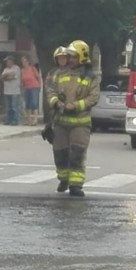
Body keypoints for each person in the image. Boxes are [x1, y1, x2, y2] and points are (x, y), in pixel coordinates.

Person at [45, 40, 99, 197]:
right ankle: (63, 179)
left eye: (73, 56)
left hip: (80, 124)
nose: (70, 59)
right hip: (60, 122)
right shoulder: (60, 74)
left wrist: (75, 105)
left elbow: (93, 97)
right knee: (60, 154)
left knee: (77, 154)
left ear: (82, 57)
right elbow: (50, 91)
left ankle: (76, 186)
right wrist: (56, 103)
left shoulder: (90, 77)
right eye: (69, 56)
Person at [20, 55, 42, 125]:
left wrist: (40, 86)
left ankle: (35, 120)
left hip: (34, 87)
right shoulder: (22, 70)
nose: (24, 63)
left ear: (28, 62)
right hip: (26, 88)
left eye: (25, 61)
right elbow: (22, 80)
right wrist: (21, 86)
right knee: (27, 104)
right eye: (22, 61)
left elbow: (38, 77)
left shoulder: (32, 68)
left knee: (34, 103)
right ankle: (29, 120)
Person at [1, 55, 21, 125]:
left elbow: (12, 77)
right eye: (6, 62)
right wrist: (8, 75)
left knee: (14, 107)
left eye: (8, 61)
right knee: (8, 107)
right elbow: (3, 77)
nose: (7, 63)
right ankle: (8, 120)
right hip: (7, 91)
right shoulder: (5, 69)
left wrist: (7, 76)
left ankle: (15, 121)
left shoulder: (16, 68)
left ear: (12, 61)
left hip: (15, 91)